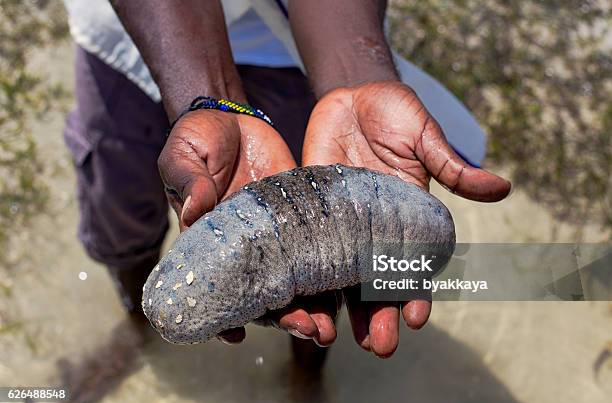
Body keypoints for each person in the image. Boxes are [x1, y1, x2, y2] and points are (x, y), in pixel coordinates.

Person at [63, 0, 511, 361]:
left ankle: (306, 369)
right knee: (119, 214)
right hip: (140, 27)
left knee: (320, 309)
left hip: (303, 40)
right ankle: (136, 332)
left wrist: (353, 76)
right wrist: (209, 96)